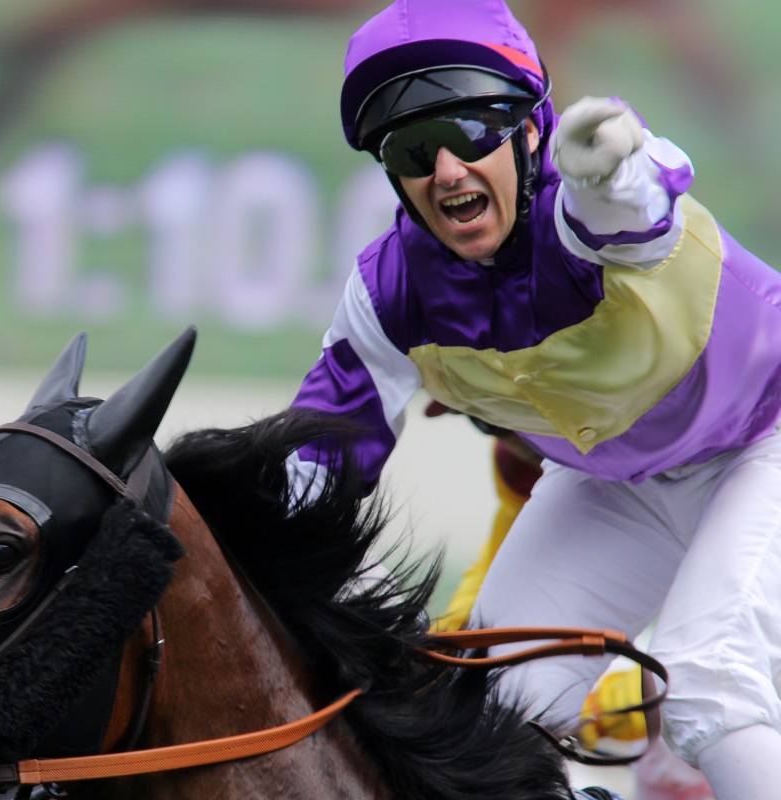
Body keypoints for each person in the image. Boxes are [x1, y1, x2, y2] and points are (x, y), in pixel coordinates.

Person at [284, 2, 781, 798]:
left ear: (531, 133)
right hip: (619, 483)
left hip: (767, 441)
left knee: (711, 685)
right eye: (415, 148)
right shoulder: (387, 293)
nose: (447, 171)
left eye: (474, 133)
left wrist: (606, 164)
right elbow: (317, 454)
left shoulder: (582, 205)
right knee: (477, 717)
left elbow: (632, 214)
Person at [429, 401, 713, 800]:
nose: (510, 436)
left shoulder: (643, 425)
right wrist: (436, 652)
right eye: (485, 423)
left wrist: (606, 704)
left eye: (504, 411)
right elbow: (496, 578)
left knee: (701, 696)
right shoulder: (516, 466)